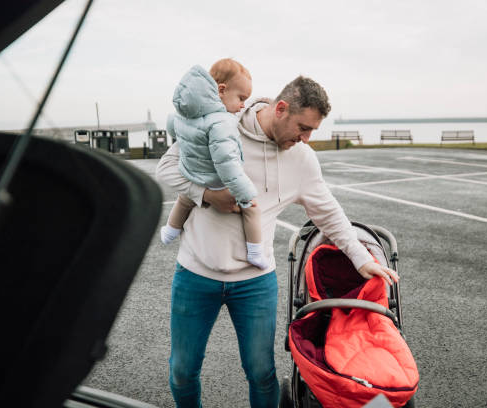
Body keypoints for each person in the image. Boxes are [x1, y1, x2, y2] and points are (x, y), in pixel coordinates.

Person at [156, 75, 399, 408]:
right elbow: (166, 167)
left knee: (261, 373)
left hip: (254, 282)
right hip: (196, 273)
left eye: (312, 130)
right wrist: (208, 195)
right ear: (281, 108)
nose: (306, 138)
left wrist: (360, 258)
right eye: (303, 127)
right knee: (182, 371)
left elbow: (328, 212)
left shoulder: (301, 159)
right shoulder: (219, 125)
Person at [160, 58, 269, 269]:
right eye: (241, 98)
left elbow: (173, 128)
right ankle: (255, 252)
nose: (243, 105)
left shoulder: (184, 115)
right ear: (221, 90)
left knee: (185, 200)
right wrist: (245, 193)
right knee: (251, 210)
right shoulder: (221, 123)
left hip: (191, 172)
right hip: (214, 179)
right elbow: (228, 165)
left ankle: (170, 230)